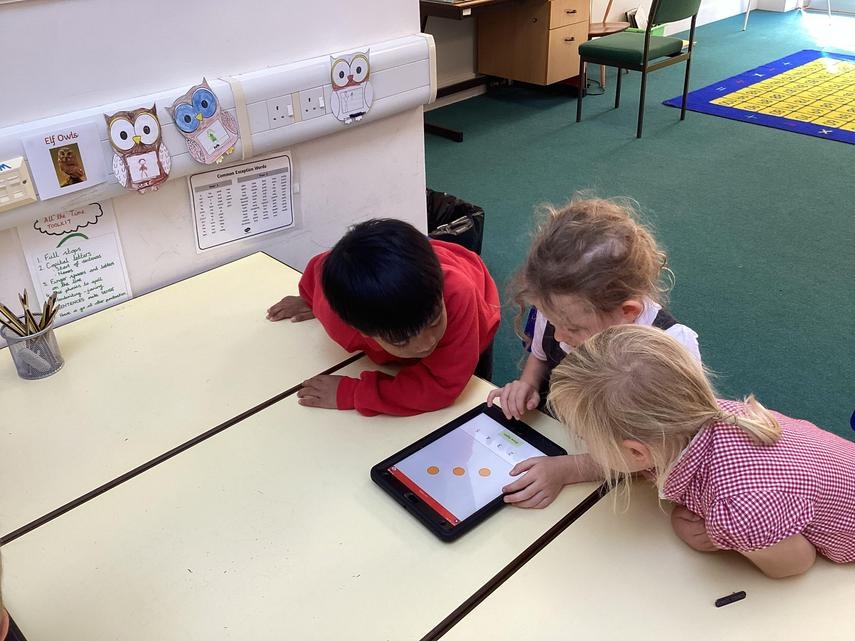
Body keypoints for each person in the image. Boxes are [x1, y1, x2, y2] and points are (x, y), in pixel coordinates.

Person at [547, 325, 855, 578]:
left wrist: (720, 536)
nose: (585, 445)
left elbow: (795, 563)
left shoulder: (738, 511)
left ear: (638, 453)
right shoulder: (699, 416)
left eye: (584, 437)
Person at [487, 196, 700, 508]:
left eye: (573, 329)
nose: (560, 336)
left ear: (627, 312)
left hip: (617, 479)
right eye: (552, 321)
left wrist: (568, 469)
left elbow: (655, 452)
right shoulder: (561, 307)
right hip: (557, 434)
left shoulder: (671, 352)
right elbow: (541, 355)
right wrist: (527, 384)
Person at [267, 218, 500, 416]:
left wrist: (354, 393)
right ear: (361, 330)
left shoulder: (458, 295)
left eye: (434, 322)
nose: (427, 343)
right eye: (401, 340)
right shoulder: (332, 312)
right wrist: (309, 299)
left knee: (473, 392)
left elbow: (440, 387)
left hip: (471, 309)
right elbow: (318, 270)